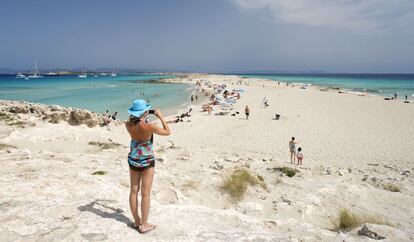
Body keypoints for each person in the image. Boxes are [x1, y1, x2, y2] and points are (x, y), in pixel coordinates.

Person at [125, 99, 171, 234]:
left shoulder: (128, 125)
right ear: (145, 111)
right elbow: (167, 132)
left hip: (133, 160)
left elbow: (135, 123)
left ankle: (137, 221)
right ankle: (144, 225)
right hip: (146, 162)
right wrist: (161, 116)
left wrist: (142, 116)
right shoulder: (150, 127)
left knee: (133, 191)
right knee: (145, 194)